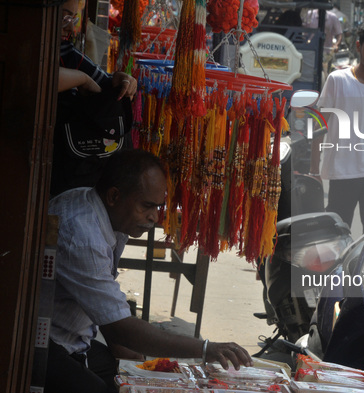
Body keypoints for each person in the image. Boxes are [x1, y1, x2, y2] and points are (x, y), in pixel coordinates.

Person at [44, 149, 253, 393]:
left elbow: (105, 308)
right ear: (114, 196)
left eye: (158, 207)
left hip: (76, 340)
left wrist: (132, 363)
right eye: (147, 206)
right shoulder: (82, 235)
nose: (154, 217)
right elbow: (118, 325)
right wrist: (205, 349)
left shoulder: (102, 210)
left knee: (128, 377)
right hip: (47, 343)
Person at [310, 18, 364, 233]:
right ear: (359, 47)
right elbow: (320, 124)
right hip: (342, 174)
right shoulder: (337, 80)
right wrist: (314, 170)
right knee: (336, 236)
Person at [52, 0, 139, 197]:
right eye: (65, 16)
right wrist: (80, 79)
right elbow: (41, 77)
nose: (71, 27)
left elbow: (104, 84)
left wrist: (122, 81)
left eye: (74, 18)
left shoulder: (67, 52)